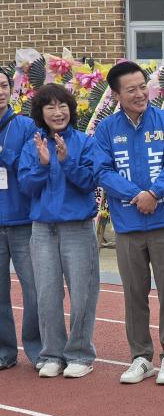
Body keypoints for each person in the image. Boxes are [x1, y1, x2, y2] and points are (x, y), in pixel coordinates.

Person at [94, 61, 164, 386]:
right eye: (131, 89)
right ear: (116, 95)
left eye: (143, 86)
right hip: (128, 225)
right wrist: (137, 196)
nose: (140, 94)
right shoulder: (106, 129)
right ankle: (141, 357)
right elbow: (102, 171)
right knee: (134, 294)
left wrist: (155, 193)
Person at [18, 83, 99, 378]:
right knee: (47, 294)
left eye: (62, 105)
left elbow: (90, 181)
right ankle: (52, 353)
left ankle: (80, 354)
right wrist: (43, 164)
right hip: (42, 230)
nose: (57, 112)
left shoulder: (85, 142)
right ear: (40, 113)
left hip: (77, 228)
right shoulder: (33, 144)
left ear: (71, 109)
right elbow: (26, 187)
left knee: (82, 294)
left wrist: (67, 162)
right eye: (50, 107)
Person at [0, 67, 42, 371]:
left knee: (35, 289)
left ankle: (39, 350)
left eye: (3, 85)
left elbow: (30, 167)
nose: (0, 92)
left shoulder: (26, 125)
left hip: (23, 221)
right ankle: (4, 351)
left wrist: (4, 153)